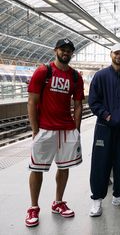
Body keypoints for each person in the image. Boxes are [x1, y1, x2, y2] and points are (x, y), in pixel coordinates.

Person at [26, 38, 84, 227]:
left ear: (72, 53)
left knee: (64, 166)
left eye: (69, 50)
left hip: (66, 129)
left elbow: (77, 105)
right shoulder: (44, 71)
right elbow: (32, 102)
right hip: (45, 129)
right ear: (55, 51)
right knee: (37, 169)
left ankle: (58, 202)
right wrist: (35, 129)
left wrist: (76, 130)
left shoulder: (75, 76)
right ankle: (33, 207)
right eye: (63, 49)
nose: (66, 52)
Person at [88, 43, 120, 217]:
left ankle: (119, 196)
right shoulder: (100, 76)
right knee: (100, 163)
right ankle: (97, 200)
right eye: (117, 53)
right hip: (104, 128)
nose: (119, 56)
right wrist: (106, 115)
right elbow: (94, 101)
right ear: (111, 54)